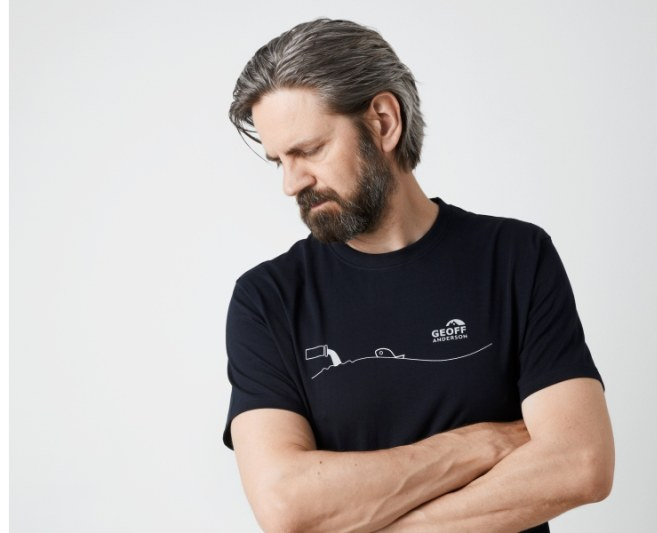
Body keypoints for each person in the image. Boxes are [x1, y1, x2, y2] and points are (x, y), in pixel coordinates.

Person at [223, 18, 614, 532]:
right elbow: (285, 506)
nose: (292, 183)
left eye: (309, 150)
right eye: (279, 161)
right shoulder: (267, 299)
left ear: (384, 122)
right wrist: (480, 443)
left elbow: (580, 464)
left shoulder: (516, 256)